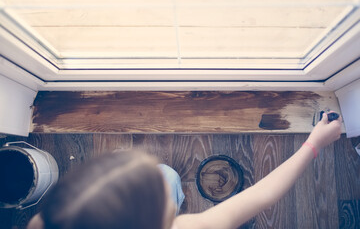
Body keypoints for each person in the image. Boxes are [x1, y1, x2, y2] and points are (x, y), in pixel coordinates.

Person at [27, 112, 342, 229]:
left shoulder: (48, 220)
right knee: (170, 175)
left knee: (167, 176)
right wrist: (314, 145)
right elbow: (264, 195)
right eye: (165, 201)